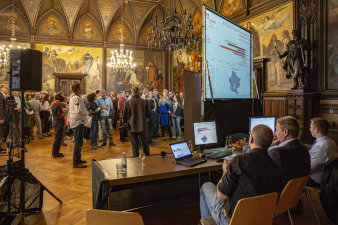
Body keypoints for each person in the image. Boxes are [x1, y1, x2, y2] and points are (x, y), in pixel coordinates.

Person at [200, 125, 283, 224]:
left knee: (206, 186)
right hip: (262, 218)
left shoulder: (239, 161)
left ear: (251, 139)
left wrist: (225, 172)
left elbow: (221, 196)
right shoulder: (276, 164)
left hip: (233, 220)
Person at [268, 116, 310, 183]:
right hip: (296, 190)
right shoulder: (304, 148)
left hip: (279, 191)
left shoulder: (277, 152)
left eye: (277, 130)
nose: (275, 134)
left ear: (285, 132)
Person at [308, 117, 338, 187]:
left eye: (311, 127)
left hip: (315, 181)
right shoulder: (330, 141)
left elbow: (308, 169)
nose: (310, 129)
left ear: (317, 130)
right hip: (325, 177)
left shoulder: (321, 147)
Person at [123, 86, 152, 157]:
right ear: (139, 92)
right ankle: (147, 158)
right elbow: (149, 114)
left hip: (131, 126)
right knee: (145, 143)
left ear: (132, 93)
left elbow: (124, 116)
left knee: (134, 144)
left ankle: (136, 159)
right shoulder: (144, 102)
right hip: (143, 125)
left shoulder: (127, 103)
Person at [69, 83, 88, 168]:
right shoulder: (76, 98)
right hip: (78, 122)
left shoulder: (74, 97)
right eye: (81, 87)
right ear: (77, 89)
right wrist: (87, 113)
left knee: (79, 142)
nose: (82, 88)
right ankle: (76, 162)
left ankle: (78, 159)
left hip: (78, 121)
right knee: (78, 142)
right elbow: (78, 111)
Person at [51, 93, 67, 158]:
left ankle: (56, 152)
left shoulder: (54, 104)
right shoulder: (57, 105)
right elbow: (59, 115)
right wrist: (64, 112)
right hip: (58, 123)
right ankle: (55, 153)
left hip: (56, 122)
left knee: (57, 138)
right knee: (57, 139)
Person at [0, 84, 8, 150]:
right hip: (1, 117)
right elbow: (0, 108)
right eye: (5, 88)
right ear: (1, 88)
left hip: (3, 117)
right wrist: (1, 118)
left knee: (1, 132)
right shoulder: (0, 95)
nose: (7, 89)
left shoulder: (3, 95)